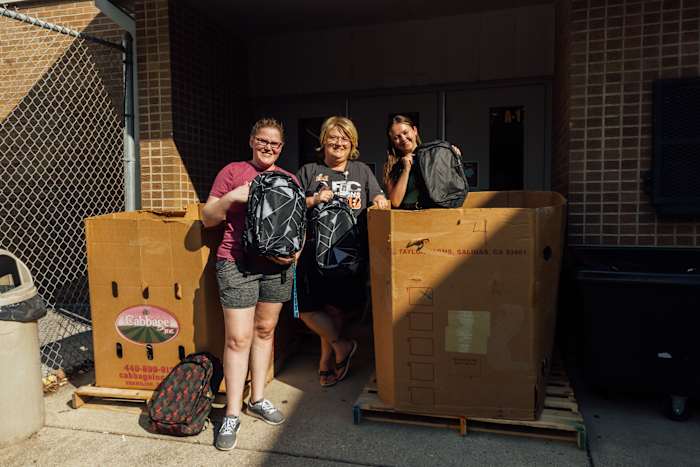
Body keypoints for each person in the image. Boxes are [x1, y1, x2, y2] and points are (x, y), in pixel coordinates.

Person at [202, 118, 300, 451]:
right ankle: (231, 412)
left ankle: (257, 398)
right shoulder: (233, 172)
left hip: (275, 268)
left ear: (281, 147)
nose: (268, 148)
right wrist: (232, 196)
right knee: (238, 338)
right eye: (263, 141)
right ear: (251, 141)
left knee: (265, 332)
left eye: (275, 144)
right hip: (237, 263)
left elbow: (297, 225)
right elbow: (207, 217)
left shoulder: (289, 179)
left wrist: (295, 253)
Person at [296, 116, 390, 387]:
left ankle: (326, 360)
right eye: (333, 137)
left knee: (336, 310)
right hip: (314, 251)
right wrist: (313, 199)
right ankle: (342, 346)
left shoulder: (361, 171)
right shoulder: (309, 171)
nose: (339, 143)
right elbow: (293, 206)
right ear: (323, 141)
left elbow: (378, 198)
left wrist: (381, 200)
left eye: (345, 138)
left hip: (349, 252)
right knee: (308, 309)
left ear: (353, 144)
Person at [382, 114, 461, 208]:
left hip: (434, 214)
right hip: (406, 217)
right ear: (393, 142)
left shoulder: (433, 156)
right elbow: (395, 202)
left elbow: (451, 187)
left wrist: (453, 158)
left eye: (405, 132)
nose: (403, 138)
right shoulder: (392, 166)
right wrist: (406, 169)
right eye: (396, 137)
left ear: (414, 130)